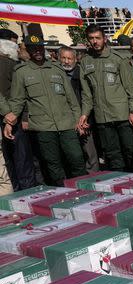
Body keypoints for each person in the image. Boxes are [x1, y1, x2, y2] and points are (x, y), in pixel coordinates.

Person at [4, 35, 85, 185]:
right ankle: (62, 193)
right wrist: (10, 122)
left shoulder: (56, 68)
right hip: (43, 127)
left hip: (67, 123)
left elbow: (71, 98)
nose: (37, 51)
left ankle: (84, 190)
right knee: (53, 164)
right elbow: (17, 100)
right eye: (33, 48)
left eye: (40, 47)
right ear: (27, 50)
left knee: (77, 159)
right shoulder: (21, 72)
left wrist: (77, 119)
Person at [78, 24, 133, 173]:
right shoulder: (85, 62)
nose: (95, 41)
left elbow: (130, 89)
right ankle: (120, 184)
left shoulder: (119, 59)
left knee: (130, 152)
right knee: (112, 154)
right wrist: (84, 114)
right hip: (102, 116)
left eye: (98, 38)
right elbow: (86, 94)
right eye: (91, 38)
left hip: (122, 114)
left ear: (105, 39)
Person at [0, 29, 36, 190]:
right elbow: (20, 94)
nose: (17, 48)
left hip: (8, 116)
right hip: (14, 116)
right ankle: (27, 194)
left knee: (10, 161)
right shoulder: (12, 65)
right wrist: (12, 115)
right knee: (22, 159)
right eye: (15, 43)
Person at [58, 46, 99, 174]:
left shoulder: (82, 74)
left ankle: (94, 178)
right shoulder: (56, 74)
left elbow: (88, 97)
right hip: (64, 121)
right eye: (63, 58)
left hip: (84, 119)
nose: (66, 61)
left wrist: (84, 118)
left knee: (89, 152)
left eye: (69, 58)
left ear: (76, 59)